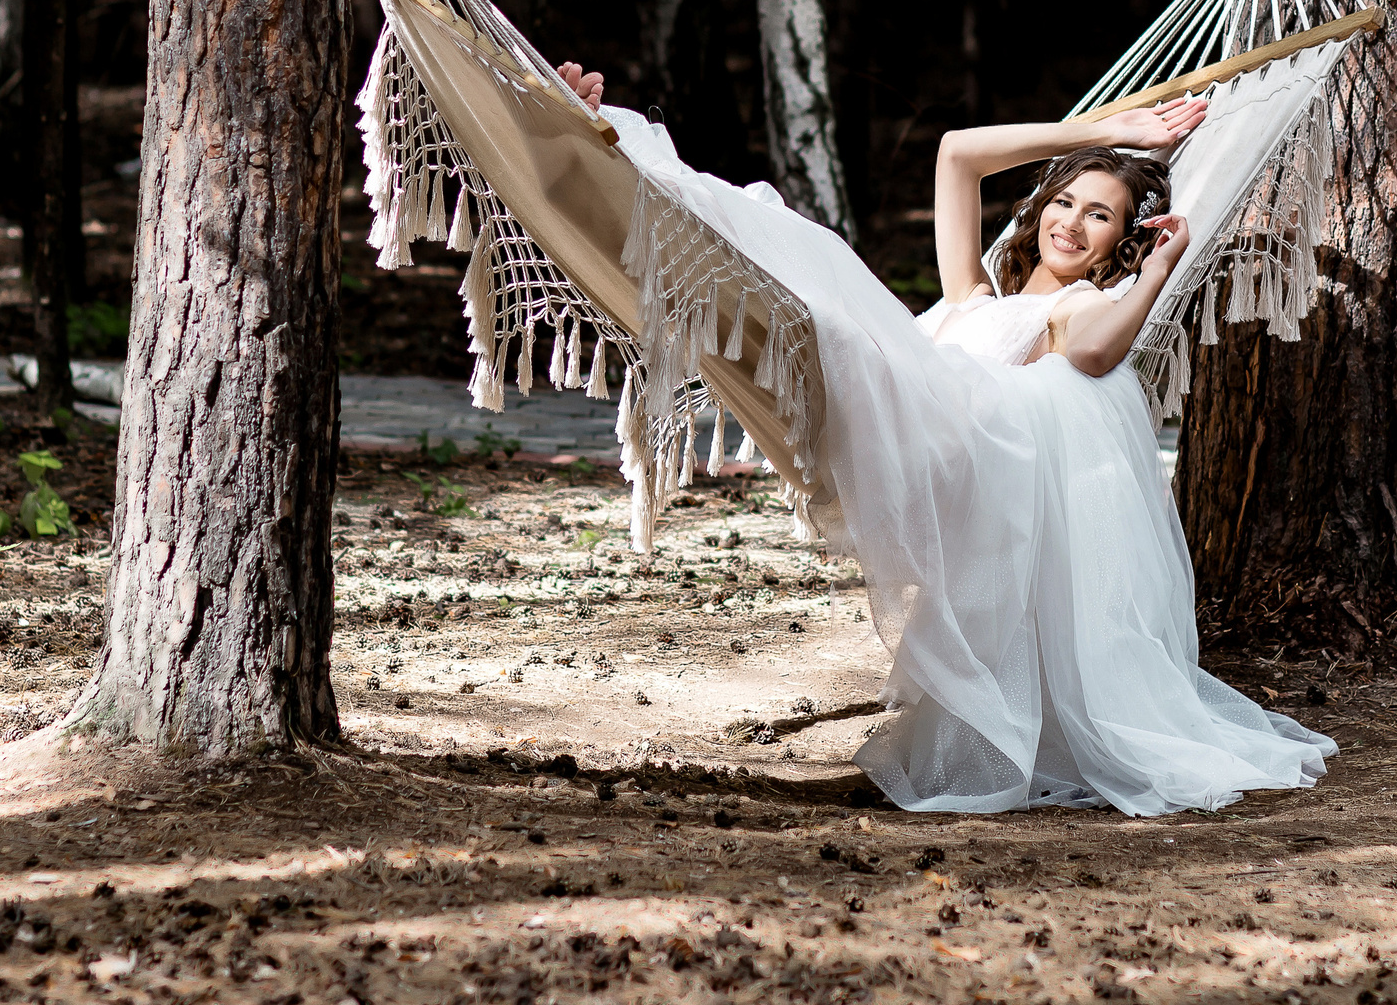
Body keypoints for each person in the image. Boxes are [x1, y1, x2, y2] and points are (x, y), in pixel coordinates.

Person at [552, 60, 1336, 815]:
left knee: (820, 285)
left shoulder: (1074, 313)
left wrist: (1160, 269)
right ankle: (594, 156)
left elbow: (1098, 355)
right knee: (790, 259)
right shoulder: (973, 292)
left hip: (930, 444)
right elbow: (957, 152)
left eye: (1101, 216)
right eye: (1066, 201)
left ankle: (621, 164)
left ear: (1119, 243)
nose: (1073, 222)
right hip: (891, 415)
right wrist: (1097, 130)